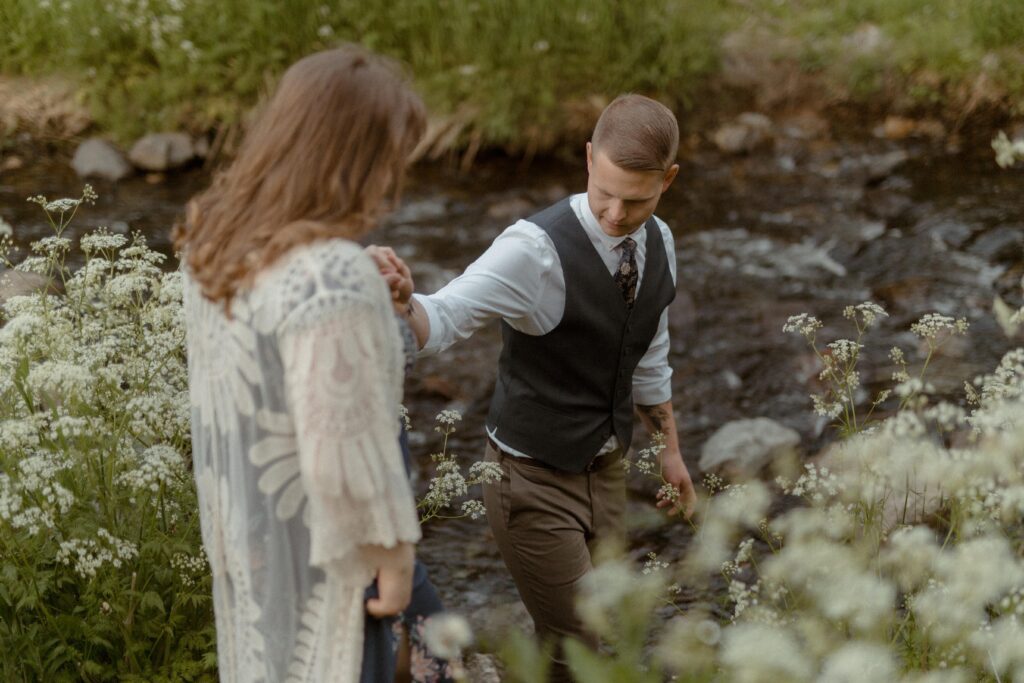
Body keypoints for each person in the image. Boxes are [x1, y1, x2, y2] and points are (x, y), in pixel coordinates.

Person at [375, 93, 698, 682]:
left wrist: (670, 452)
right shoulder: (534, 250)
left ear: (668, 180)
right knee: (579, 639)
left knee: (604, 626)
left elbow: (650, 353)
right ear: (588, 157)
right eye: (604, 193)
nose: (615, 215)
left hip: (606, 471)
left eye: (637, 200)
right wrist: (403, 304)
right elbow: (444, 317)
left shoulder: (662, 243)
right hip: (529, 479)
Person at [176, 46, 429, 682]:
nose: (394, 180)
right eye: (389, 159)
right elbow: (335, 448)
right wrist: (394, 559)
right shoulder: (329, 273)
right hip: (337, 566)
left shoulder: (218, 241)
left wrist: (369, 301)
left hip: (258, 547)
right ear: (356, 159)